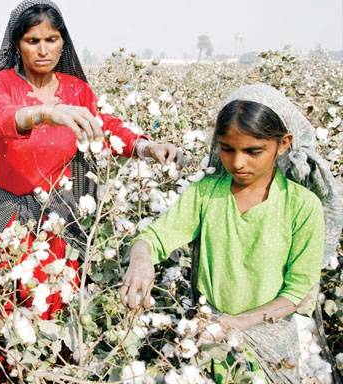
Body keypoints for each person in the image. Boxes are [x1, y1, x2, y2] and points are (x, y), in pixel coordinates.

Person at [0, 0, 179, 380]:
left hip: (61, 216)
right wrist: (45, 113)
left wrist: (146, 147)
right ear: (17, 44)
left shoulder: (77, 90)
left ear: (63, 42)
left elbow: (105, 125)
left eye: (52, 39)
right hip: (9, 214)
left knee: (57, 305)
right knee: (3, 307)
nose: (43, 49)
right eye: (33, 40)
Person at [120, 83, 343, 383]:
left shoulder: (301, 206)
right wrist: (141, 257)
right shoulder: (206, 193)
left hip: (272, 345)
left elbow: (296, 292)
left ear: (284, 144)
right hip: (210, 336)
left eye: (253, 151)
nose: (238, 162)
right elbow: (156, 237)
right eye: (227, 149)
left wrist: (238, 323)